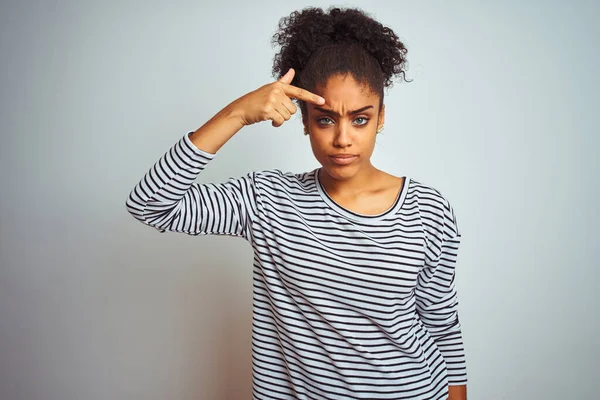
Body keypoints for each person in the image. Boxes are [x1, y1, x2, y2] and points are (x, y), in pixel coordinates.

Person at [126, 6, 467, 400]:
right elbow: (150, 203)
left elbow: (441, 322)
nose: (342, 138)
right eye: (324, 119)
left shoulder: (428, 209)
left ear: (381, 118)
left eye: (359, 119)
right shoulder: (267, 200)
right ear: (303, 119)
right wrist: (236, 113)